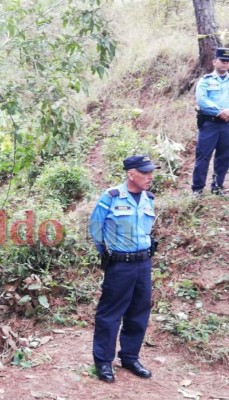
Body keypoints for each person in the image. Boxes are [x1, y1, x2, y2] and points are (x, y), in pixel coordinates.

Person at [88, 155, 160, 383]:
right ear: (131, 174)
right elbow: (95, 228)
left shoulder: (149, 198)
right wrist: (109, 254)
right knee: (110, 314)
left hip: (143, 264)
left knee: (139, 312)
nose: (150, 177)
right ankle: (103, 361)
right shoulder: (111, 197)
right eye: (145, 173)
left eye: (151, 172)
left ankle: (129, 357)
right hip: (120, 264)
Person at [192, 47, 229, 196]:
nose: (225, 64)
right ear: (214, 62)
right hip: (210, 124)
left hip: (227, 124)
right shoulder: (205, 80)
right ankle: (198, 189)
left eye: (227, 62)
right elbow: (202, 100)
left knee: (224, 156)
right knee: (203, 156)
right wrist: (220, 111)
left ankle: (217, 187)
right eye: (222, 61)